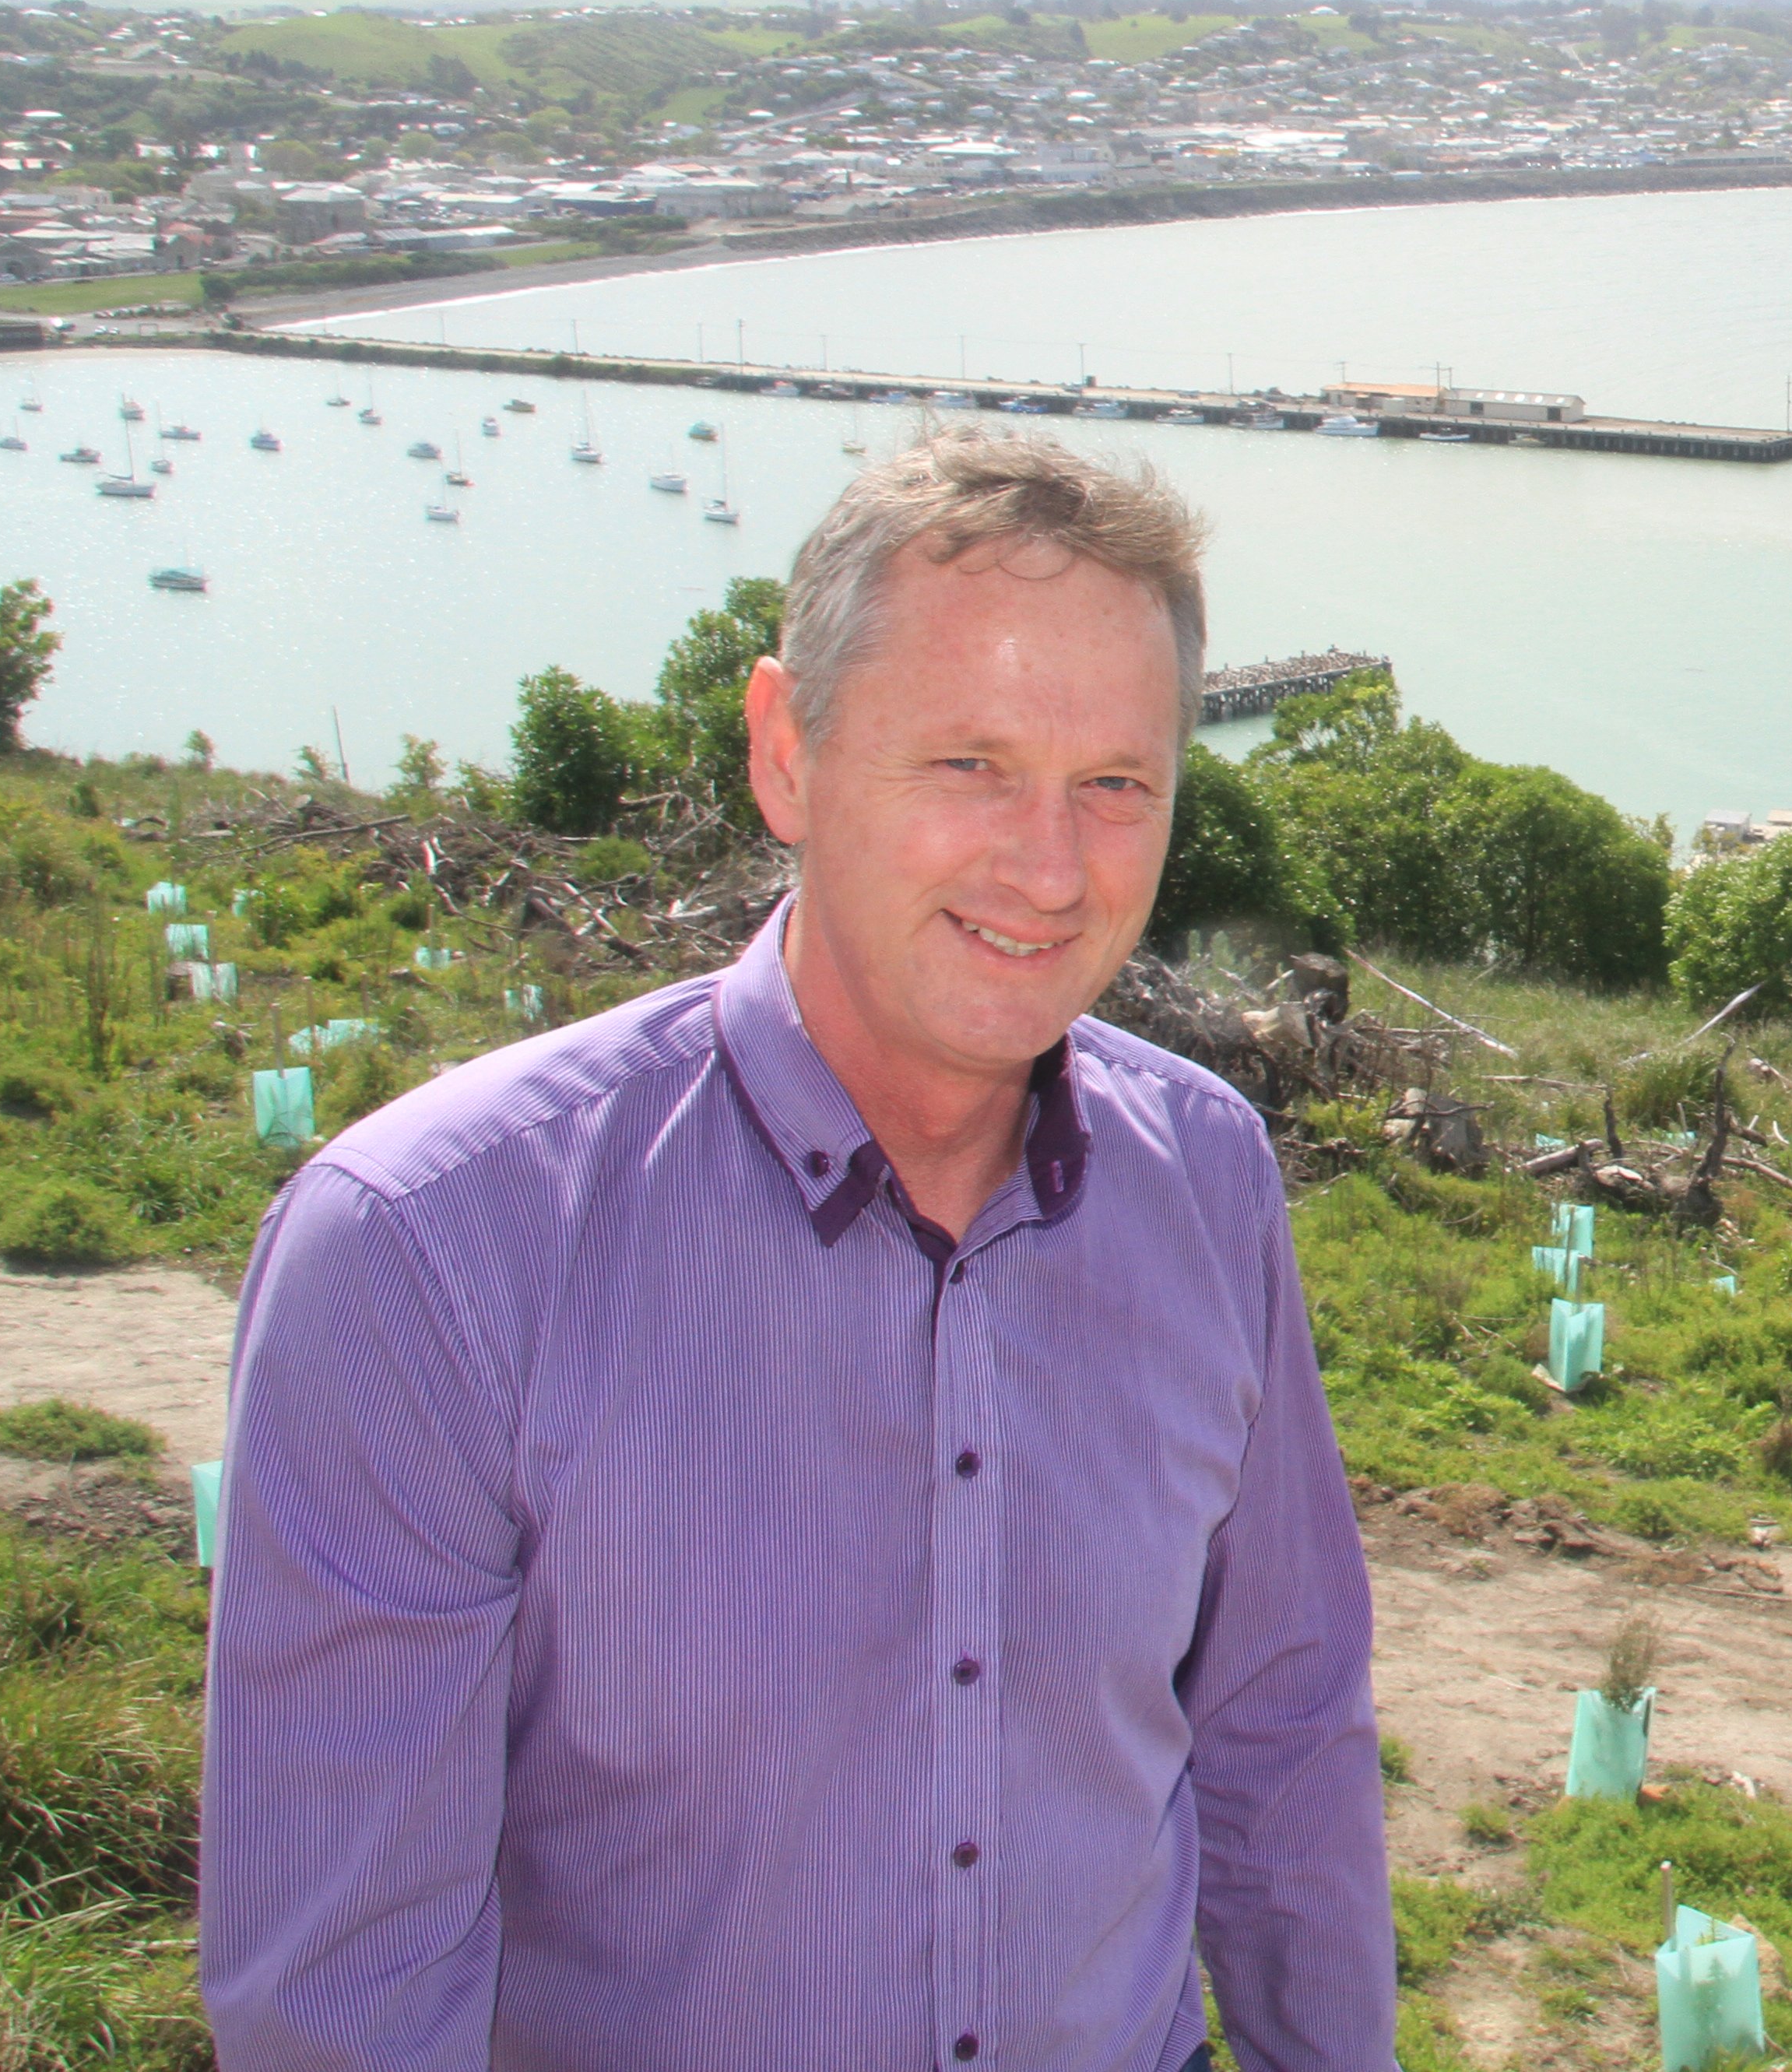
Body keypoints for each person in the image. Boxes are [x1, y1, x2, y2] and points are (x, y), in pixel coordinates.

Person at [203, 427, 1392, 2072]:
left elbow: (1282, 1733)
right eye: (968, 763)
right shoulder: (427, 1254)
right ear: (786, 752)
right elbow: (345, 2000)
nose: (1049, 870)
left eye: (1116, 786)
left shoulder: (1207, 1181)